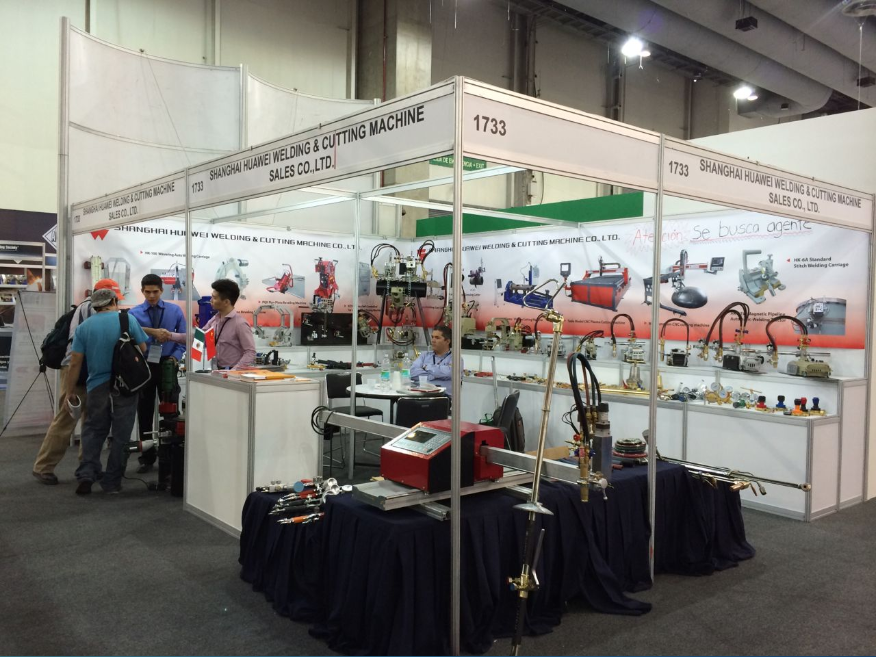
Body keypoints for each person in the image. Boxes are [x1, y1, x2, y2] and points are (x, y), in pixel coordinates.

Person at [32, 278, 125, 485]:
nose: (114, 304)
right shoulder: (92, 309)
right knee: (67, 418)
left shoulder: (87, 308)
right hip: (77, 368)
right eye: (113, 299)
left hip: (86, 369)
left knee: (90, 421)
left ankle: (87, 467)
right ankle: (43, 466)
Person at [67, 288, 148, 495]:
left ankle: (87, 474)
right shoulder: (127, 320)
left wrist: (70, 390)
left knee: (93, 430)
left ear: (94, 305)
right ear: (113, 301)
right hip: (125, 386)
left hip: (96, 386)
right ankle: (112, 482)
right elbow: (143, 348)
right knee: (121, 434)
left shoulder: (84, 327)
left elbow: (75, 362)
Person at [128, 274, 186, 475]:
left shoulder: (174, 310)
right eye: (147, 292)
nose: (151, 296)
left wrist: (175, 358)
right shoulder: (134, 314)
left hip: (167, 365)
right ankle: (147, 458)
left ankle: (170, 456)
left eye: (155, 292)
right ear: (142, 291)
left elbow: (184, 338)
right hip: (144, 366)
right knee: (144, 413)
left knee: (170, 413)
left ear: (162, 290)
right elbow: (130, 339)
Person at [159, 278, 255, 370]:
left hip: (232, 373)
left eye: (214, 298)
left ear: (226, 302)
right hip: (219, 371)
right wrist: (170, 335)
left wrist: (233, 372)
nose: (211, 300)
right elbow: (197, 338)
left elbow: (250, 352)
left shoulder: (240, 324)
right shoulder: (214, 320)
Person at [409, 325, 462, 397]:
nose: (433, 340)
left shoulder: (456, 359)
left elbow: (449, 373)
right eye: (432, 337)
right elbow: (413, 373)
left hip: (443, 397)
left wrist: (427, 367)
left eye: (437, 338)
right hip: (421, 395)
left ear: (447, 341)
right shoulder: (424, 355)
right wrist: (433, 376)